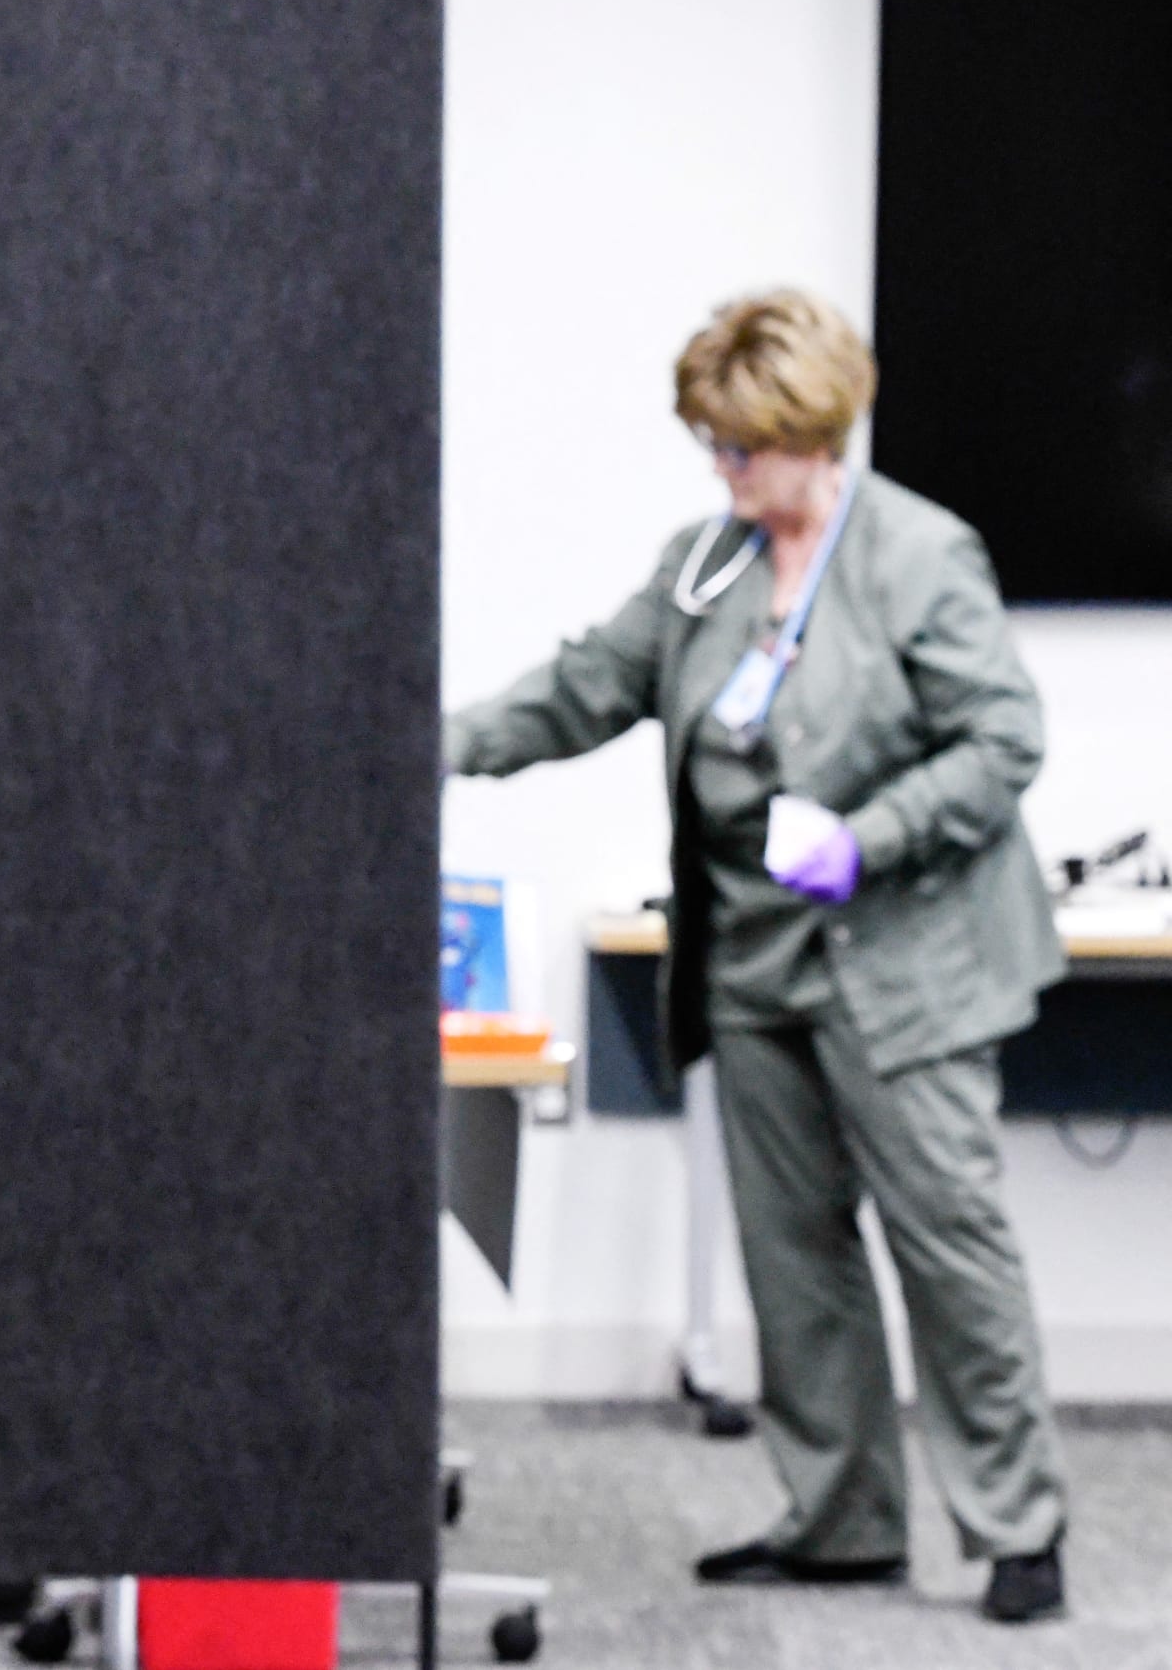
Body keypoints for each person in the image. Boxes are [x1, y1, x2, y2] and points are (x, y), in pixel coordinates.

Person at [443, 289, 1069, 1625]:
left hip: (904, 961)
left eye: (743, 448)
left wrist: (866, 836)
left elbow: (1004, 742)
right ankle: (841, 1519)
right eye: (712, 448)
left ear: (815, 431)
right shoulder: (709, 561)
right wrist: (430, 739)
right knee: (793, 1255)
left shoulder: (918, 556)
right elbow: (588, 685)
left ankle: (1020, 1527)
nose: (724, 474)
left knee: (948, 1247)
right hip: (752, 964)